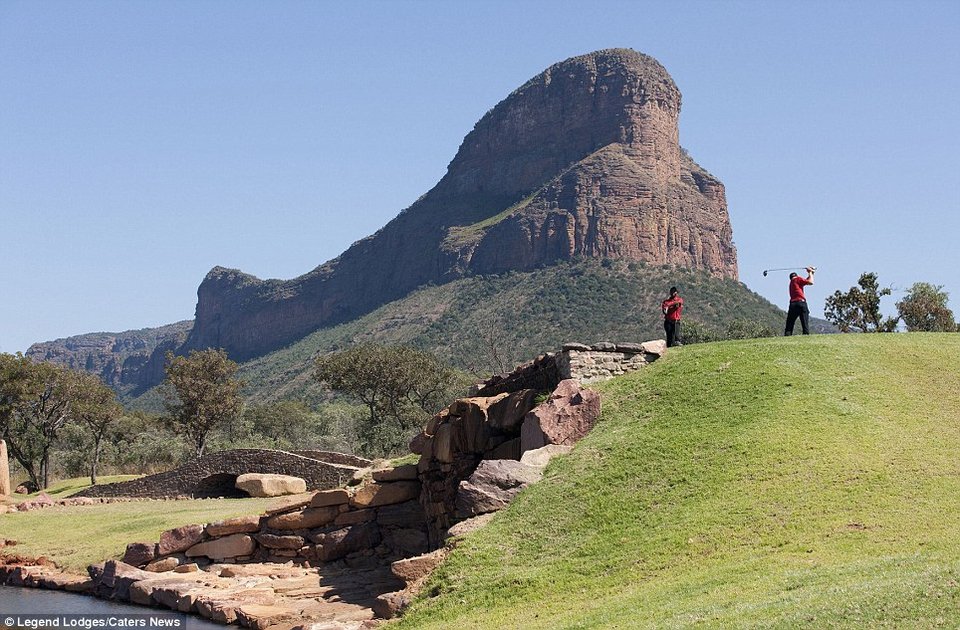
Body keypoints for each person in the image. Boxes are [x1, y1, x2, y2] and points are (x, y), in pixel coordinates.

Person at [784, 267, 816, 335]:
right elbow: (811, 282)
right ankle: (806, 336)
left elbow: (806, 281)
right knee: (804, 322)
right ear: (796, 276)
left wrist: (811, 274)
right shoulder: (798, 279)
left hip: (792, 304)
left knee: (790, 323)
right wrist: (810, 272)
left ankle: (787, 336)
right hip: (801, 303)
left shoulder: (792, 282)